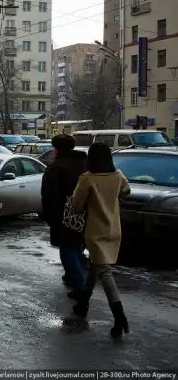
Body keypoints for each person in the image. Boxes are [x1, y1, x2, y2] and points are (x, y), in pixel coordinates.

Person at [71, 142, 131, 337]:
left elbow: (76, 205)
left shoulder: (87, 179)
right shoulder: (118, 176)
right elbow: (126, 191)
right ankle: (83, 303)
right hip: (114, 229)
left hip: (95, 232)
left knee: (104, 270)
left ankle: (119, 316)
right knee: (96, 266)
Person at [40, 134, 88, 300]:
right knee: (77, 244)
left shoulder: (56, 167)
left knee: (67, 247)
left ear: (56, 149)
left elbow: (48, 195)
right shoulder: (85, 164)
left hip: (63, 214)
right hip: (85, 212)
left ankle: (78, 283)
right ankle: (72, 276)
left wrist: (48, 216)